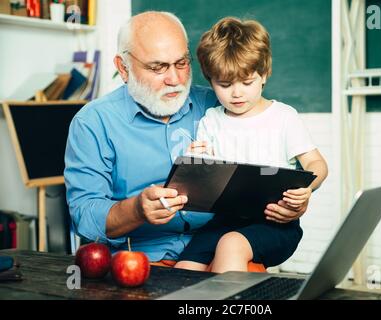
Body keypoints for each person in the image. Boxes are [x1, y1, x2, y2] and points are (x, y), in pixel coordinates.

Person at [64, 11, 312, 264]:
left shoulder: (220, 101)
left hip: (221, 249)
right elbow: (84, 217)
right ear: (123, 68)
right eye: (158, 67)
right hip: (143, 259)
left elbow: (278, 158)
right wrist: (136, 210)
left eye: (181, 63)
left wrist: (294, 202)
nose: (174, 79)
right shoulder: (93, 123)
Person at [174, 17, 328, 273]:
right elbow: (205, 180)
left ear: (264, 74)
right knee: (184, 268)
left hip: (275, 223)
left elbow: (317, 164)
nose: (236, 93)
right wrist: (196, 165)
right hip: (224, 221)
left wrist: (307, 189)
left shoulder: (283, 116)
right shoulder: (211, 120)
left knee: (231, 245)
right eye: (224, 85)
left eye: (247, 83)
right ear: (210, 80)